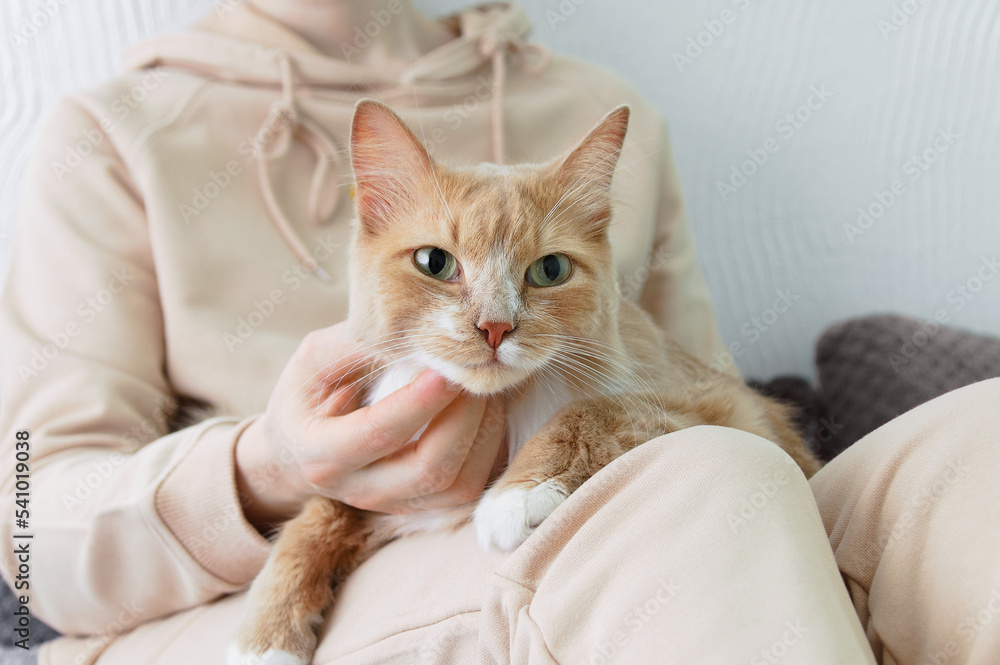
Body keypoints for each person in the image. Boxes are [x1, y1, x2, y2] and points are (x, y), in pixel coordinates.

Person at [0, 2, 996, 664]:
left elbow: (720, 416)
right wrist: (273, 463)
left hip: (645, 513)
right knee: (698, 487)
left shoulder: (595, 115)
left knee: (976, 446)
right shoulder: (114, 131)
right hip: (266, 603)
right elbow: (28, 527)